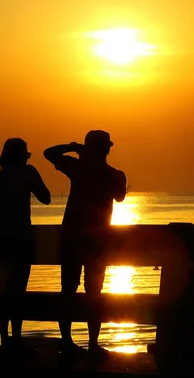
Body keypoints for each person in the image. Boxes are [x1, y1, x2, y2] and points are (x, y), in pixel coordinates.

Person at [44, 130, 127, 364]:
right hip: (98, 240)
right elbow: (120, 197)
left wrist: (73, 147)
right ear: (108, 149)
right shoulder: (115, 175)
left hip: (72, 237)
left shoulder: (77, 168)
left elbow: (48, 153)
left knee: (67, 291)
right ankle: (92, 344)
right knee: (95, 293)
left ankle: (68, 341)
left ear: (88, 149)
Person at [0, 138, 51, 354]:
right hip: (22, 240)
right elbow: (46, 198)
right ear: (23, 157)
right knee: (19, 293)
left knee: (4, 292)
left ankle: (5, 340)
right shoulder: (28, 174)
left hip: (1, 241)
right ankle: (16, 338)